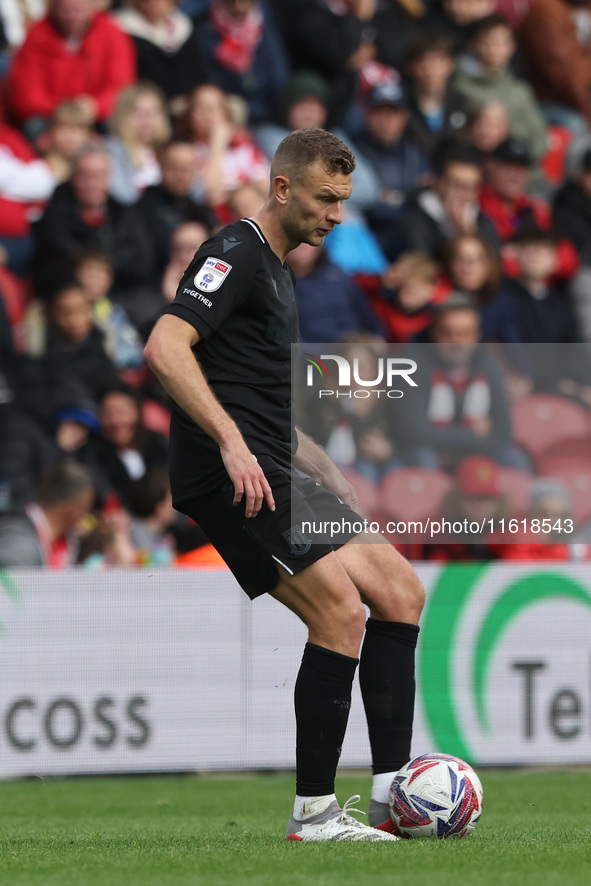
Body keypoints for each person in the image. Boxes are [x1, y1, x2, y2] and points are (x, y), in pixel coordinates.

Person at [144, 127, 424, 842]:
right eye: (326, 199)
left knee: (398, 590)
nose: (336, 215)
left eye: (344, 201)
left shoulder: (280, 270)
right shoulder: (232, 253)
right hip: (229, 475)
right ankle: (314, 816)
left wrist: (318, 461)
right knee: (339, 614)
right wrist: (233, 443)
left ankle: (396, 798)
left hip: (275, 462)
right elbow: (165, 347)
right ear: (282, 189)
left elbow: (249, 390)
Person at [7, 0, 135, 138]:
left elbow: (121, 87)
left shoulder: (112, 33)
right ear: (54, 8)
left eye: (78, 10)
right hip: (51, 115)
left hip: (96, 113)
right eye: (66, 10)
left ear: (91, 7)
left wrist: (94, 106)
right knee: (34, 126)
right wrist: (62, 110)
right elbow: (25, 93)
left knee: (121, 123)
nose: (72, 16)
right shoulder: (35, 36)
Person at [0, 459, 95, 568]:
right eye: (85, 509)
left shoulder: (69, 544)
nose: (85, 517)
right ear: (70, 508)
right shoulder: (18, 544)